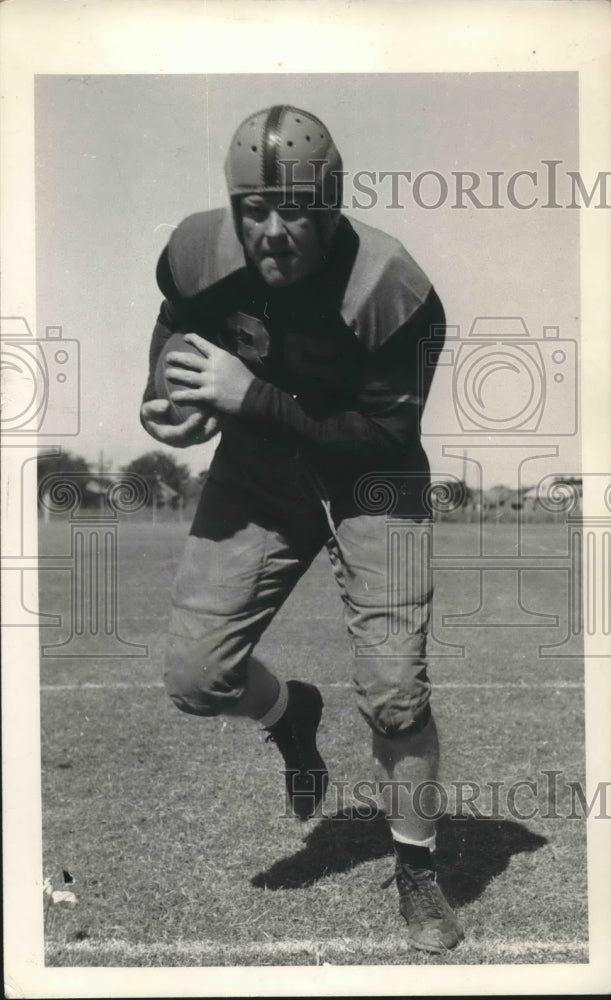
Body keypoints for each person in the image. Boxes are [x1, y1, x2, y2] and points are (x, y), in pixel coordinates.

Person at [141, 105, 463, 953]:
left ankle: (416, 867)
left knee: (395, 695)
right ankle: (290, 714)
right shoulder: (199, 248)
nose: (271, 232)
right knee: (194, 677)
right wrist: (161, 393)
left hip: (371, 477)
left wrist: (250, 397)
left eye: (293, 210)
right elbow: (178, 318)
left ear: (329, 204)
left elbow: (382, 435)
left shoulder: (393, 289)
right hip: (261, 467)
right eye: (255, 209)